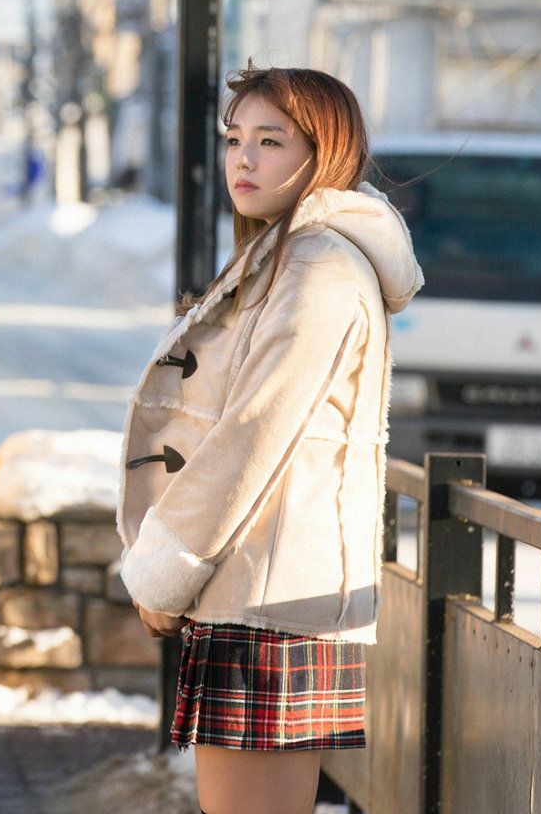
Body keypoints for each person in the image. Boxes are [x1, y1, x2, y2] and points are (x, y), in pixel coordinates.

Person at [116, 66, 423, 814]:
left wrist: (163, 570)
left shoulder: (317, 268)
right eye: (233, 140)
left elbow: (251, 438)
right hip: (260, 587)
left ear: (324, 154)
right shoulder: (287, 254)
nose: (242, 160)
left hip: (266, 600)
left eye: (269, 141)